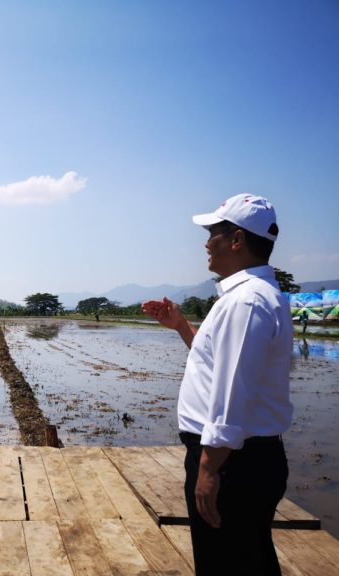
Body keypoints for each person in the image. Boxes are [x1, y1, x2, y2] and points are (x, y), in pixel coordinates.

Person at [142, 193, 292, 576]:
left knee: (225, 563)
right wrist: (181, 326)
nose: (206, 243)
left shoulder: (246, 302)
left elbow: (233, 392)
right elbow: (220, 365)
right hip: (240, 458)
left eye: (213, 234)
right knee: (248, 558)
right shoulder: (249, 297)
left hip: (233, 464)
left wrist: (209, 470)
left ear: (237, 240)